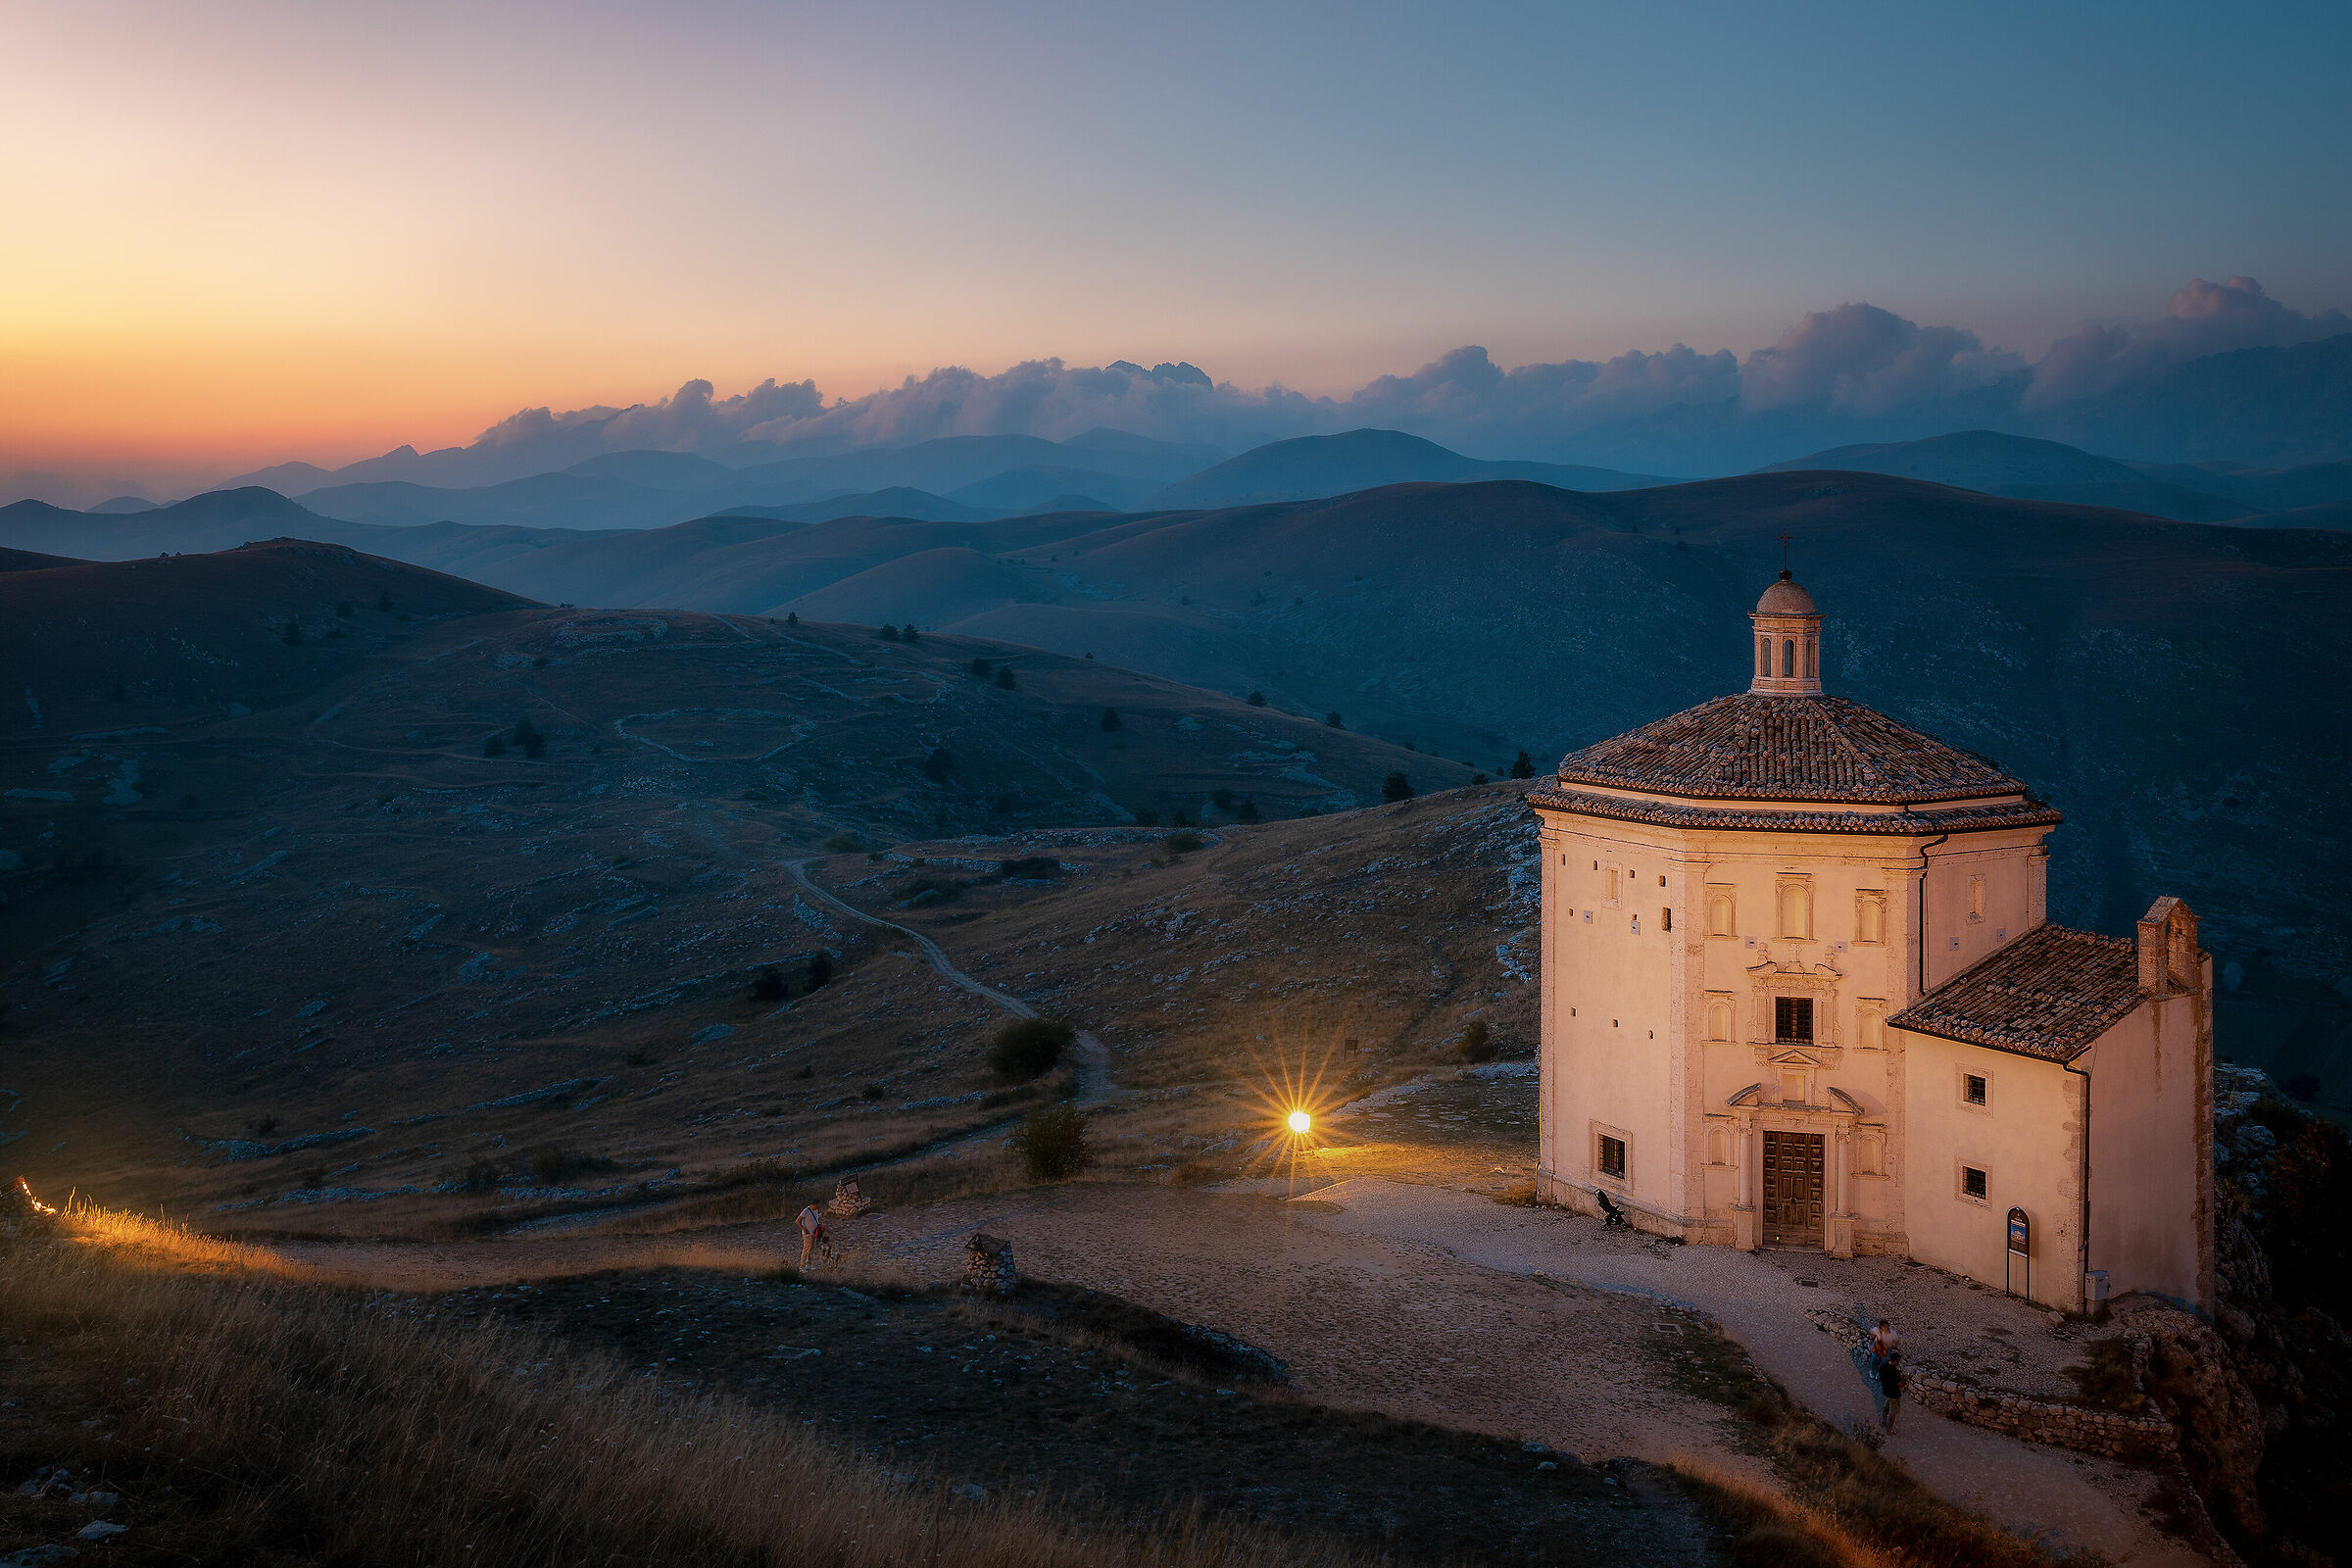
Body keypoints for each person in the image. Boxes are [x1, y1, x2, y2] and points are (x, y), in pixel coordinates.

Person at [797, 1201, 831, 1268]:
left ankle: (808, 1264)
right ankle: (802, 1266)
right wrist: (803, 1229)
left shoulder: (815, 1211)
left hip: (814, 1233)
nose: (818, 1208)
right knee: (806, 1249)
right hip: (807, 1234)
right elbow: (797, 1221)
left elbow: (816, 1220)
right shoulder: (806, 1211)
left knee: (812, 1248)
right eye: (817, 1206)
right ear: (813, 1205)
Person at [1879, 1352, 1904, 1433]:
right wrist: (1905, 1379)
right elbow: (1900, 1384)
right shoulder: (1895, 1372)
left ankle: (1883, 1422)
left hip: (1885, 1391)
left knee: (1885, 1407)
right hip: (1894, 1394)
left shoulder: (1882, 1366)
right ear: (1896, 1361)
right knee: (1892, 1413)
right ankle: (1889, 1429)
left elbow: (1880, 1377)